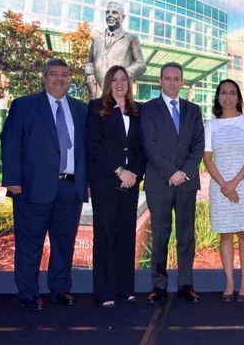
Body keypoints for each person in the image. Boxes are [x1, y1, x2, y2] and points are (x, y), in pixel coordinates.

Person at [1, 58, 88, 311]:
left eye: (64, 74)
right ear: (44, 77)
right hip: (32, 188)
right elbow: (11, 143)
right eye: (54, 74)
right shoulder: (25, 106)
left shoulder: (80, 110)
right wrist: (13, 180)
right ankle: (28, 292)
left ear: (69, 79)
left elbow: (86, 150)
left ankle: (59, 289)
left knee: (64, 242)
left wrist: (87, 182)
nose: (59, 78)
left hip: (69, 189)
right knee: (30, 244)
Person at [140, 62, 205, 303]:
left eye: (176, 78)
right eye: (167, 78)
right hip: (159, 182)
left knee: (186, 235)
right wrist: (170, 172)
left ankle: (186, 284)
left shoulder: (193, 110)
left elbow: (199, 144)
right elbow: (149, 145)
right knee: (160, 235)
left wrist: (184, 172)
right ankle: (158, 286)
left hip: (186, 182)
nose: (172, 82)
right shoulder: (147, 110)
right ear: (160, 81)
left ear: (182, 82)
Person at [87, 65, 146, 307]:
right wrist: (119, 171)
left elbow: (143, 148)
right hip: (105, 181)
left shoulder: (138, 110)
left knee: (125, 234)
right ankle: (105, 292)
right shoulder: (96, 108)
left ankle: (125, 288)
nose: (120, 84)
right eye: (114, 80)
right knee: (104, 235)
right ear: (108, 83)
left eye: (124, 79)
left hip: (130, 182)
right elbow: (93, 145)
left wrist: (134, 174)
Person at [202, 79, 244, 302]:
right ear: (218, 96)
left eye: (232, 93)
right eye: (224, 93)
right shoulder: (211, 125)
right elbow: (207, 159)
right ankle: (229, 281)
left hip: (243, 184)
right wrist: (224, 185)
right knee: (225, 234)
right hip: (219, 185)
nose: (228, 97)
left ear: (238, 97)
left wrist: (234, 183)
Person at [84, 1, 146, 99]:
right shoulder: (97, 39)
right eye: (107, 12)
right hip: (97, 94)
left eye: (115, 13)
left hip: (119, 96)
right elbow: (89, 62)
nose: (110, 15)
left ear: (123, 17)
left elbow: (141, 65)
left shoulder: (131, 39)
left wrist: (121, 76)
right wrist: (89, 74)